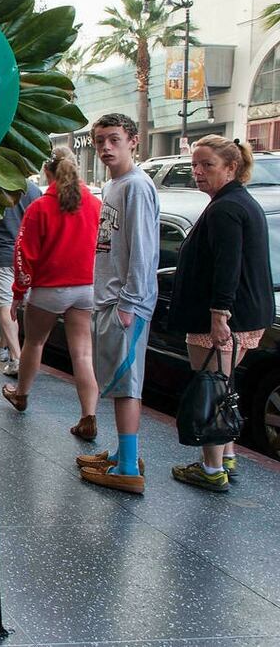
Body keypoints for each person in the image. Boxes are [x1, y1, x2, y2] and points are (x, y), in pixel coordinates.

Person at [168, 136, 272, 492]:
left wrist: (218, 315)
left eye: (207, 165)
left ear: (231, 168)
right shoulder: (240, 202)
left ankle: (211, 471)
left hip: (224, 319)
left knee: (210, 389)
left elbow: (228, 265)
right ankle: (226, 456)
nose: (197, 172)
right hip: (248, 315)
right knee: (224, 386)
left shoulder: (226, 208)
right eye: (194, 165)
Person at [77, 113, 160, 495]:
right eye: (99, 141)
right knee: (115, 381)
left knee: (127, 385)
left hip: (125, 305)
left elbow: (143, 251)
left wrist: (128, 303)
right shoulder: (115, 186)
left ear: (133, 141)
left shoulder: (137, 187)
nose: (105, 147)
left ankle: (128, 465)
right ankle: (123, 453)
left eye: (113, 139)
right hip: (109, 300)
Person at [1, 147, 102, 441]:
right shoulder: (95, 205)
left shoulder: (40, 208)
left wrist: (18, 292)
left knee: (34, 343)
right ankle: (88, 415)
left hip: (49, 288)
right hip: (86, 288)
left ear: (48, 172)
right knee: (82, 353)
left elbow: (24, 253)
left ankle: (21, 395)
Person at [0, 179, 42, 376]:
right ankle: (0, 347)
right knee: (10, 308)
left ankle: (17, 359)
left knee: (6, 307)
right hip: (27, 257)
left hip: (0, 255)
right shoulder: (33, 190)